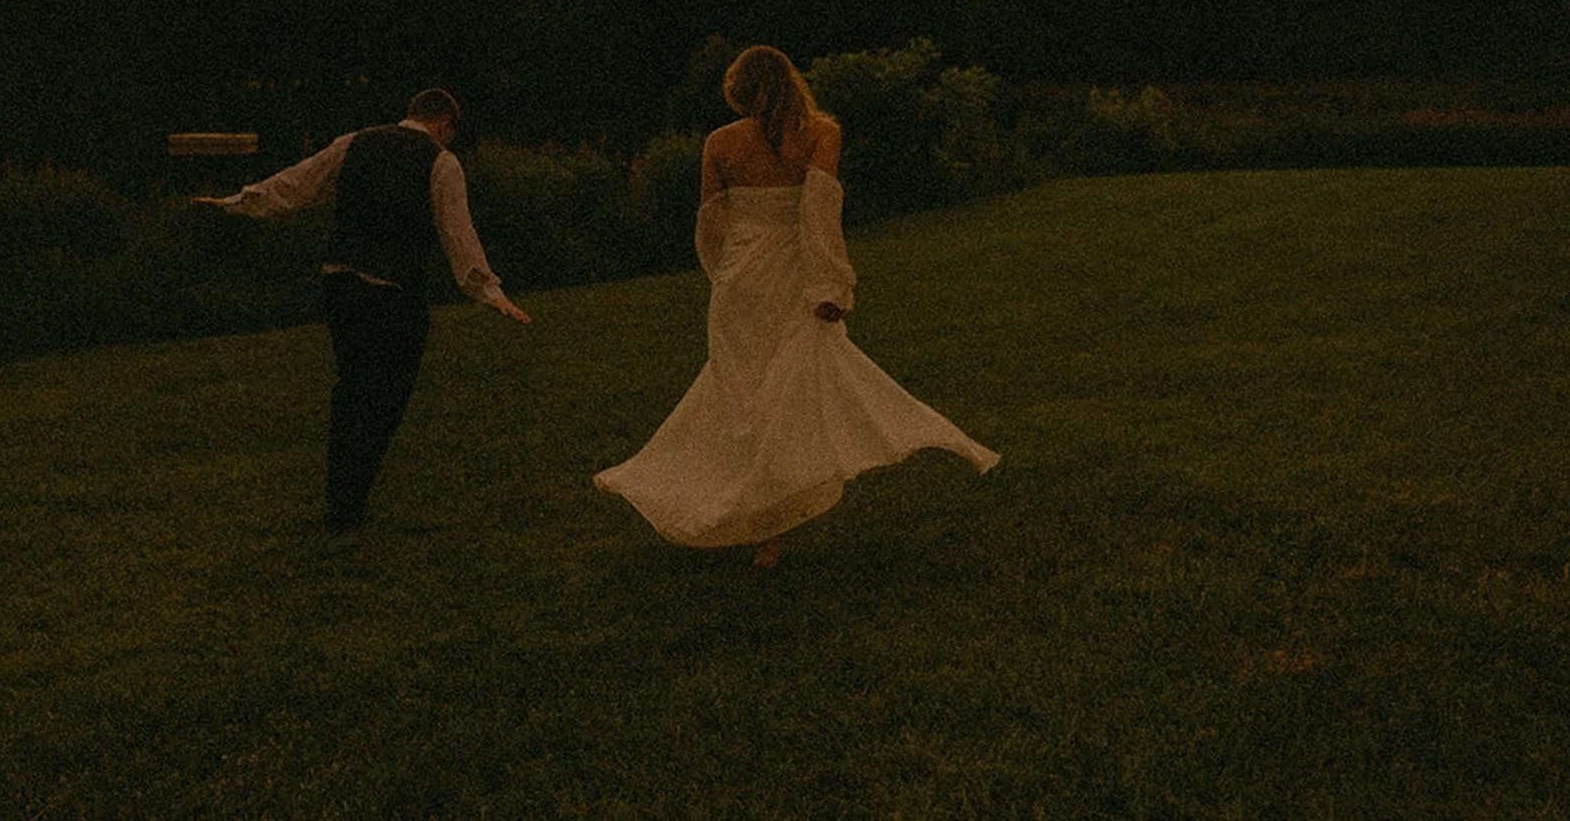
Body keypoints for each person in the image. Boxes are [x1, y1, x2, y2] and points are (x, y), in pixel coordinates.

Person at [595, 46, 997, 568]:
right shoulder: (820, 133)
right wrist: (828, 285)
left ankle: (765, 529)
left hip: (741, 279)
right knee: (784, 396)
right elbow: (819, 213)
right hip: (787, 275)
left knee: (745, 398)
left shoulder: (720, 143)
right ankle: (768, 525)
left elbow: (711, 224)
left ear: (740, 90)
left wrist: (725, 273)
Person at [197, 88, 530, 532]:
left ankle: (342, 499)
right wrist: (490, 292)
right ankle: (350, 497)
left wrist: (237, 202)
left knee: (352, 388)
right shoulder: (441, 161)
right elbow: (457, 232)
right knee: (388, 394)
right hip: (393, 290)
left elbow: (297, 183)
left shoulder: (355, 142)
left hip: (340, 282)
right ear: (444, 124)